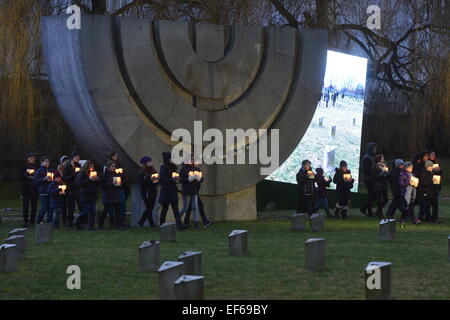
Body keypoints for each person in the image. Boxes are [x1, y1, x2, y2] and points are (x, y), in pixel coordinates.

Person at [158, 152, 185, 230]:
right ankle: (162, 224)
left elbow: (175, 177)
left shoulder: (173, 167)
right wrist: (172, 180)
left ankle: (179, 225)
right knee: (165, 209)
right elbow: (162, 180)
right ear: (168, 159)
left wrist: (177, 179)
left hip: (173, 191)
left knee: (175, 210)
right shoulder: (163, 168)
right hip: (166, 192)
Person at [184, 160, 214, 228]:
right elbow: (189, 179)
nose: (199, 163)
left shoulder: (197, 169)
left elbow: (201, 179)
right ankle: (205, 222)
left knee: (190, 206)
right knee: (200, 205)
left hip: (196, 191)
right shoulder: (191, 169)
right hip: (193, 191)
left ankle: (186, 222)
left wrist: (200, 178)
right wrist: (194, 177)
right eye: (197, 162)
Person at [98, 161, 125, 230]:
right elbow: (102, 185)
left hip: (115, 195)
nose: (114, 167)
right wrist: (111, 183)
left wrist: (120, 184)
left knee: (118, 210)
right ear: (108, 167)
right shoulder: (104, 175)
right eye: (112, 166)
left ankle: (119, 225)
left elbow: (118, 184)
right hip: (108, 195)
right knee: (106, 210)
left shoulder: (115, 174)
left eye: (114, 166)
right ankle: (100, 225)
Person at [105, 151, 128, 227]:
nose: (117, 157)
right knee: (113, 206)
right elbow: (106, 180)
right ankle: (113, 221)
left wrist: (121, 176)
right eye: (115, 156)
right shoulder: (108, 167)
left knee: (121, 204)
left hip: (118, 187)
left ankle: (120, 221)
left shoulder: (118, 164)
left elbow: (122, 177)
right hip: (112, 190)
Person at [75, 159, 100, 230]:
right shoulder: (82, 173)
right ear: (87, 165)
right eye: (90, 165)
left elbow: (96, 185)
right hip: (85, 194)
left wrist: (97, 180)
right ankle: (77, 222)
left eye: (92, 166)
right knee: (86, 211)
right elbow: (78, 184)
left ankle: (91, 226)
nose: (92, 167)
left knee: (92, 211)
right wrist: (89, 179)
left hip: (92, 194)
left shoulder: (93, 173)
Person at [179, 156, 201, 229]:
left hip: (193, 190)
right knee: (185, 208)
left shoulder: (195, 168)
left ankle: (196, 223)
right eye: (190, 159)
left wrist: (199, 179)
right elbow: (180, 180)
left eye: (192, 159)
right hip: (185, 190)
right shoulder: (183, 169)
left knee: (195, 206)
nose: (191, 161)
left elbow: (200, 178)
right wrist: (188, 179)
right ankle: (177, 218)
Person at [62, 151, 81, 228]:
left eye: (78, 157)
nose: (78, 158)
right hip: (71, 188)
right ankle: (70, 222)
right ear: (72, 158)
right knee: (71, 206)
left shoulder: (79, 165)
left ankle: (81, 221)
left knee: (81, 205)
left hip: (78, 188)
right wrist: (74, 175)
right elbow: (64, 177)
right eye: (76, 157)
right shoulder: (68, 166)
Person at [138, 156, 158, 227]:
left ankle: (143, 221)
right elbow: (141, 182)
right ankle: (147, 222)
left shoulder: (153, 170)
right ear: (145, 163)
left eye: (151, 161)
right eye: (149, 162)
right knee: (149, 207)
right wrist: (151, 180)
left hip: (153, 191)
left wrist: (156, 180)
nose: (150, 163)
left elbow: (156, 180)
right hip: (146, 192)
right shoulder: (142, 172)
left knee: (150, 208)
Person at [360, 142, 378, 217]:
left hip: (371, 178)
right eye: (374, 148)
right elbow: (366, 170)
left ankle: (366, 209)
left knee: (372, 195)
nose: (375, 150)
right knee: (372, 195)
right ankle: (367, 210)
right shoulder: (367, 158)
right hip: (368, 179)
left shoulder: (371, 157)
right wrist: (375, 169)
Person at [21, 152, 38, 227]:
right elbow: (21, 177)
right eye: (31, 158)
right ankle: (25, 221)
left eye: (33, 158)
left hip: (34, 189)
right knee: (25, 205)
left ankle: (32, 220)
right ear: (27, 159)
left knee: (34, 206)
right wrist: (26, 174)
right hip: (26, 189)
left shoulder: (37, 166)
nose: (32, 159)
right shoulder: (24, 167)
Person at [33, 156, 52, 224]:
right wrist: (44, 179)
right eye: (46, 161)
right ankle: (38, 221)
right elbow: (35, 182)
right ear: (42, 162)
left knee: (50, 208)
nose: (47, 163)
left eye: (48, 161)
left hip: (50, 191)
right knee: (44, 208)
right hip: (43, 192)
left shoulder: (50, 170)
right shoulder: (39, 170)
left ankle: (49, 222)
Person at [372, 154, 390, 218]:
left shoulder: (384, 166)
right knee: (379, 200)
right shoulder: (375, 167)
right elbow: (374, 177)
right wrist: (381, 174)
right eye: (382, 159)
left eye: (383, 159)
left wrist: (387, 173)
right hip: (378, 185)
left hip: (384, 185)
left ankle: (378, 211)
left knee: (385, 199)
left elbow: (386, 175)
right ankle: (379, 213)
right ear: (378, 160)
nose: (383, 160)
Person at [429, 151, 442, 223]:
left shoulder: (436, 162)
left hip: (437, 183)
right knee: (431, 201)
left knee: (435, 201)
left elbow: (440, 173)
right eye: (432, 154)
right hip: (430, 184)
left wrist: (439, 170)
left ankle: (435, 215)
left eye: (434, 154)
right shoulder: (428, 163)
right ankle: (429, 216)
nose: (433, 155)